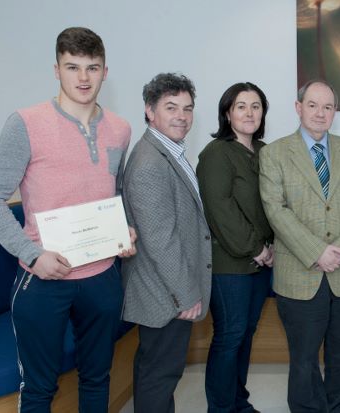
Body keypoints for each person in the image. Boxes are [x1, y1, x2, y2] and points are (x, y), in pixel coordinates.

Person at [0, 27, 134, 412]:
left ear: (105, 72)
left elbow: (113, 193)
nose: (83, 78)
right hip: (43, 278)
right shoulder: (25, 123)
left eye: (92, 68)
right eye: (73, 67)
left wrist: (123, 228)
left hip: (102, 277)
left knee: (97, 379)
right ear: (56, 69)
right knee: (39, 388)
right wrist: (32, 255)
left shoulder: (120, 128)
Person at [259, 79, 340, 413]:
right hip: (299, 275)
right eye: (312, 105)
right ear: (298, 108)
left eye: (327, 106)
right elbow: (275, 209)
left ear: (335, 111)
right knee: (303, 359)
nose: (320, 113)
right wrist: (317, 252)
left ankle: (339, 408)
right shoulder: (274, 154)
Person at [121, 73, 211, 413]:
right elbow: (161, 239)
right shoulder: (149, 162)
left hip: (167, 288)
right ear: (149, 110)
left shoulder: (168, 152)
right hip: (164, 293)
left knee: (160, 374)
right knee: (159, 375)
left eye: (187, 109)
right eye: (171, 107)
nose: (182, 116)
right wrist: (187, 294)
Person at [196, 82, 274, 413]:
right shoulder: (216, 154)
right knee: (229, 337)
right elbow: (220, 211)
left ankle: (238, 403)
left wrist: (270, 248)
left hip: (261, 264)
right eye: (241, 106)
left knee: (245, 335)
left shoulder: (264, 151)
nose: (249, 113)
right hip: (230, 266)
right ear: (227, 113)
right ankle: (221, 408)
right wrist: (256, 248)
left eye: (255, 106)